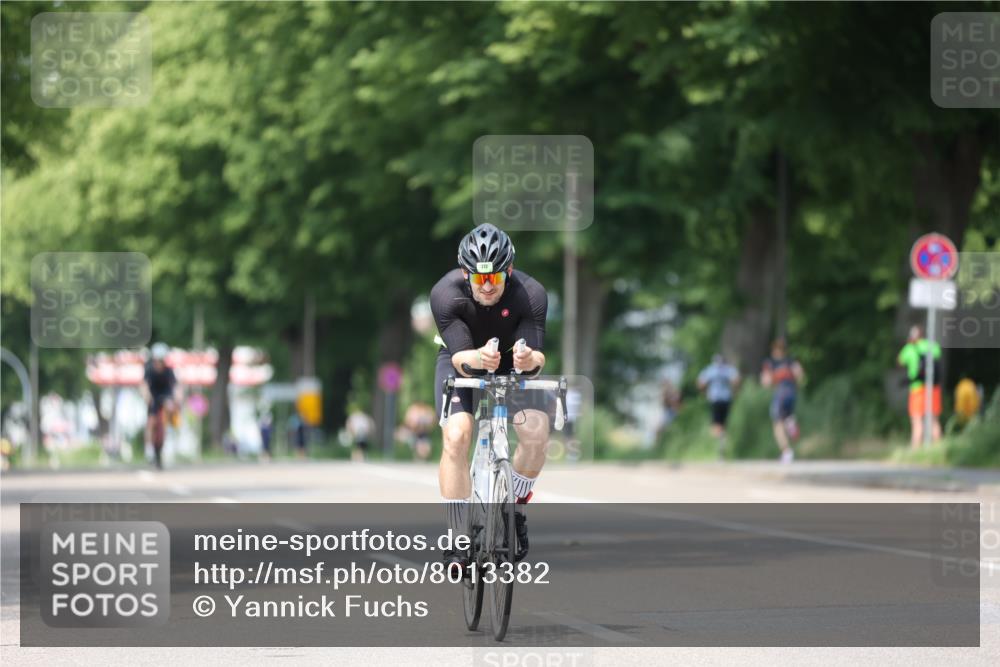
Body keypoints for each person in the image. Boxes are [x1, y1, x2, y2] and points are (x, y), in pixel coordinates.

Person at [431, 223, 549, 574]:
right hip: (461, 358)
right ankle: (457, 539)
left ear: (508, 272)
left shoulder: (531, 294)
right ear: (465, 273)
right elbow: (460, 362)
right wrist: (478, 359)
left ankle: (514, 510)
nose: (486, 287)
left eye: (494, 279)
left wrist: (529, 361)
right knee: (457, 436)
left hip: (511, 357)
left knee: (536, 431)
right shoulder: (445, 293)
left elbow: (536, 362)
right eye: (478, 279)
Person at [760, 338, 804, 464]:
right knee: (786, 416)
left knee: (777, 423)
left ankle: (786, 452)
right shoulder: (791, 361)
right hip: (791, 392)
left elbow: (766, 381)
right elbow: (799, 373)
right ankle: (790, 423)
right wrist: (796, 385)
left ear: (774, 349)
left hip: (780, 392)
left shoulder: (770, 362)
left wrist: (768, 383)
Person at [897, 325, 942, 447]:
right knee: (933, 420)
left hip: (917, 388)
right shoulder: (932, 345)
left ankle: (915, 450)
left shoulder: (909, 347)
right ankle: (938, 449)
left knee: (917, 421)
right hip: (933, 387)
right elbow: (938, 356)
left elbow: (900, 361)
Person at [140, 342, 179, 470]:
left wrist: (177, 398)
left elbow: (176, 386)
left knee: (170, 413)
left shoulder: (169, 371)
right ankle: (149, 451)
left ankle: (168, 443)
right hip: (153, 398)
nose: (160, 362)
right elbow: (144, 385)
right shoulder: (149, 370)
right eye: (158, 359)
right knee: (151, 422)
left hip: (166, 396)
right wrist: (147, 397)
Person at [697, 353, 740, 457]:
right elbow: (737, 380)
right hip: (726, 399)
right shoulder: (728, 369)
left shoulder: (711, 370)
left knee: (715, 425)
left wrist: (704, 392)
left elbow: (700, 383)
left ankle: (719, 443)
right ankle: (722, 442)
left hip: (715, 399)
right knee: (723, 423)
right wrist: (734, 391)